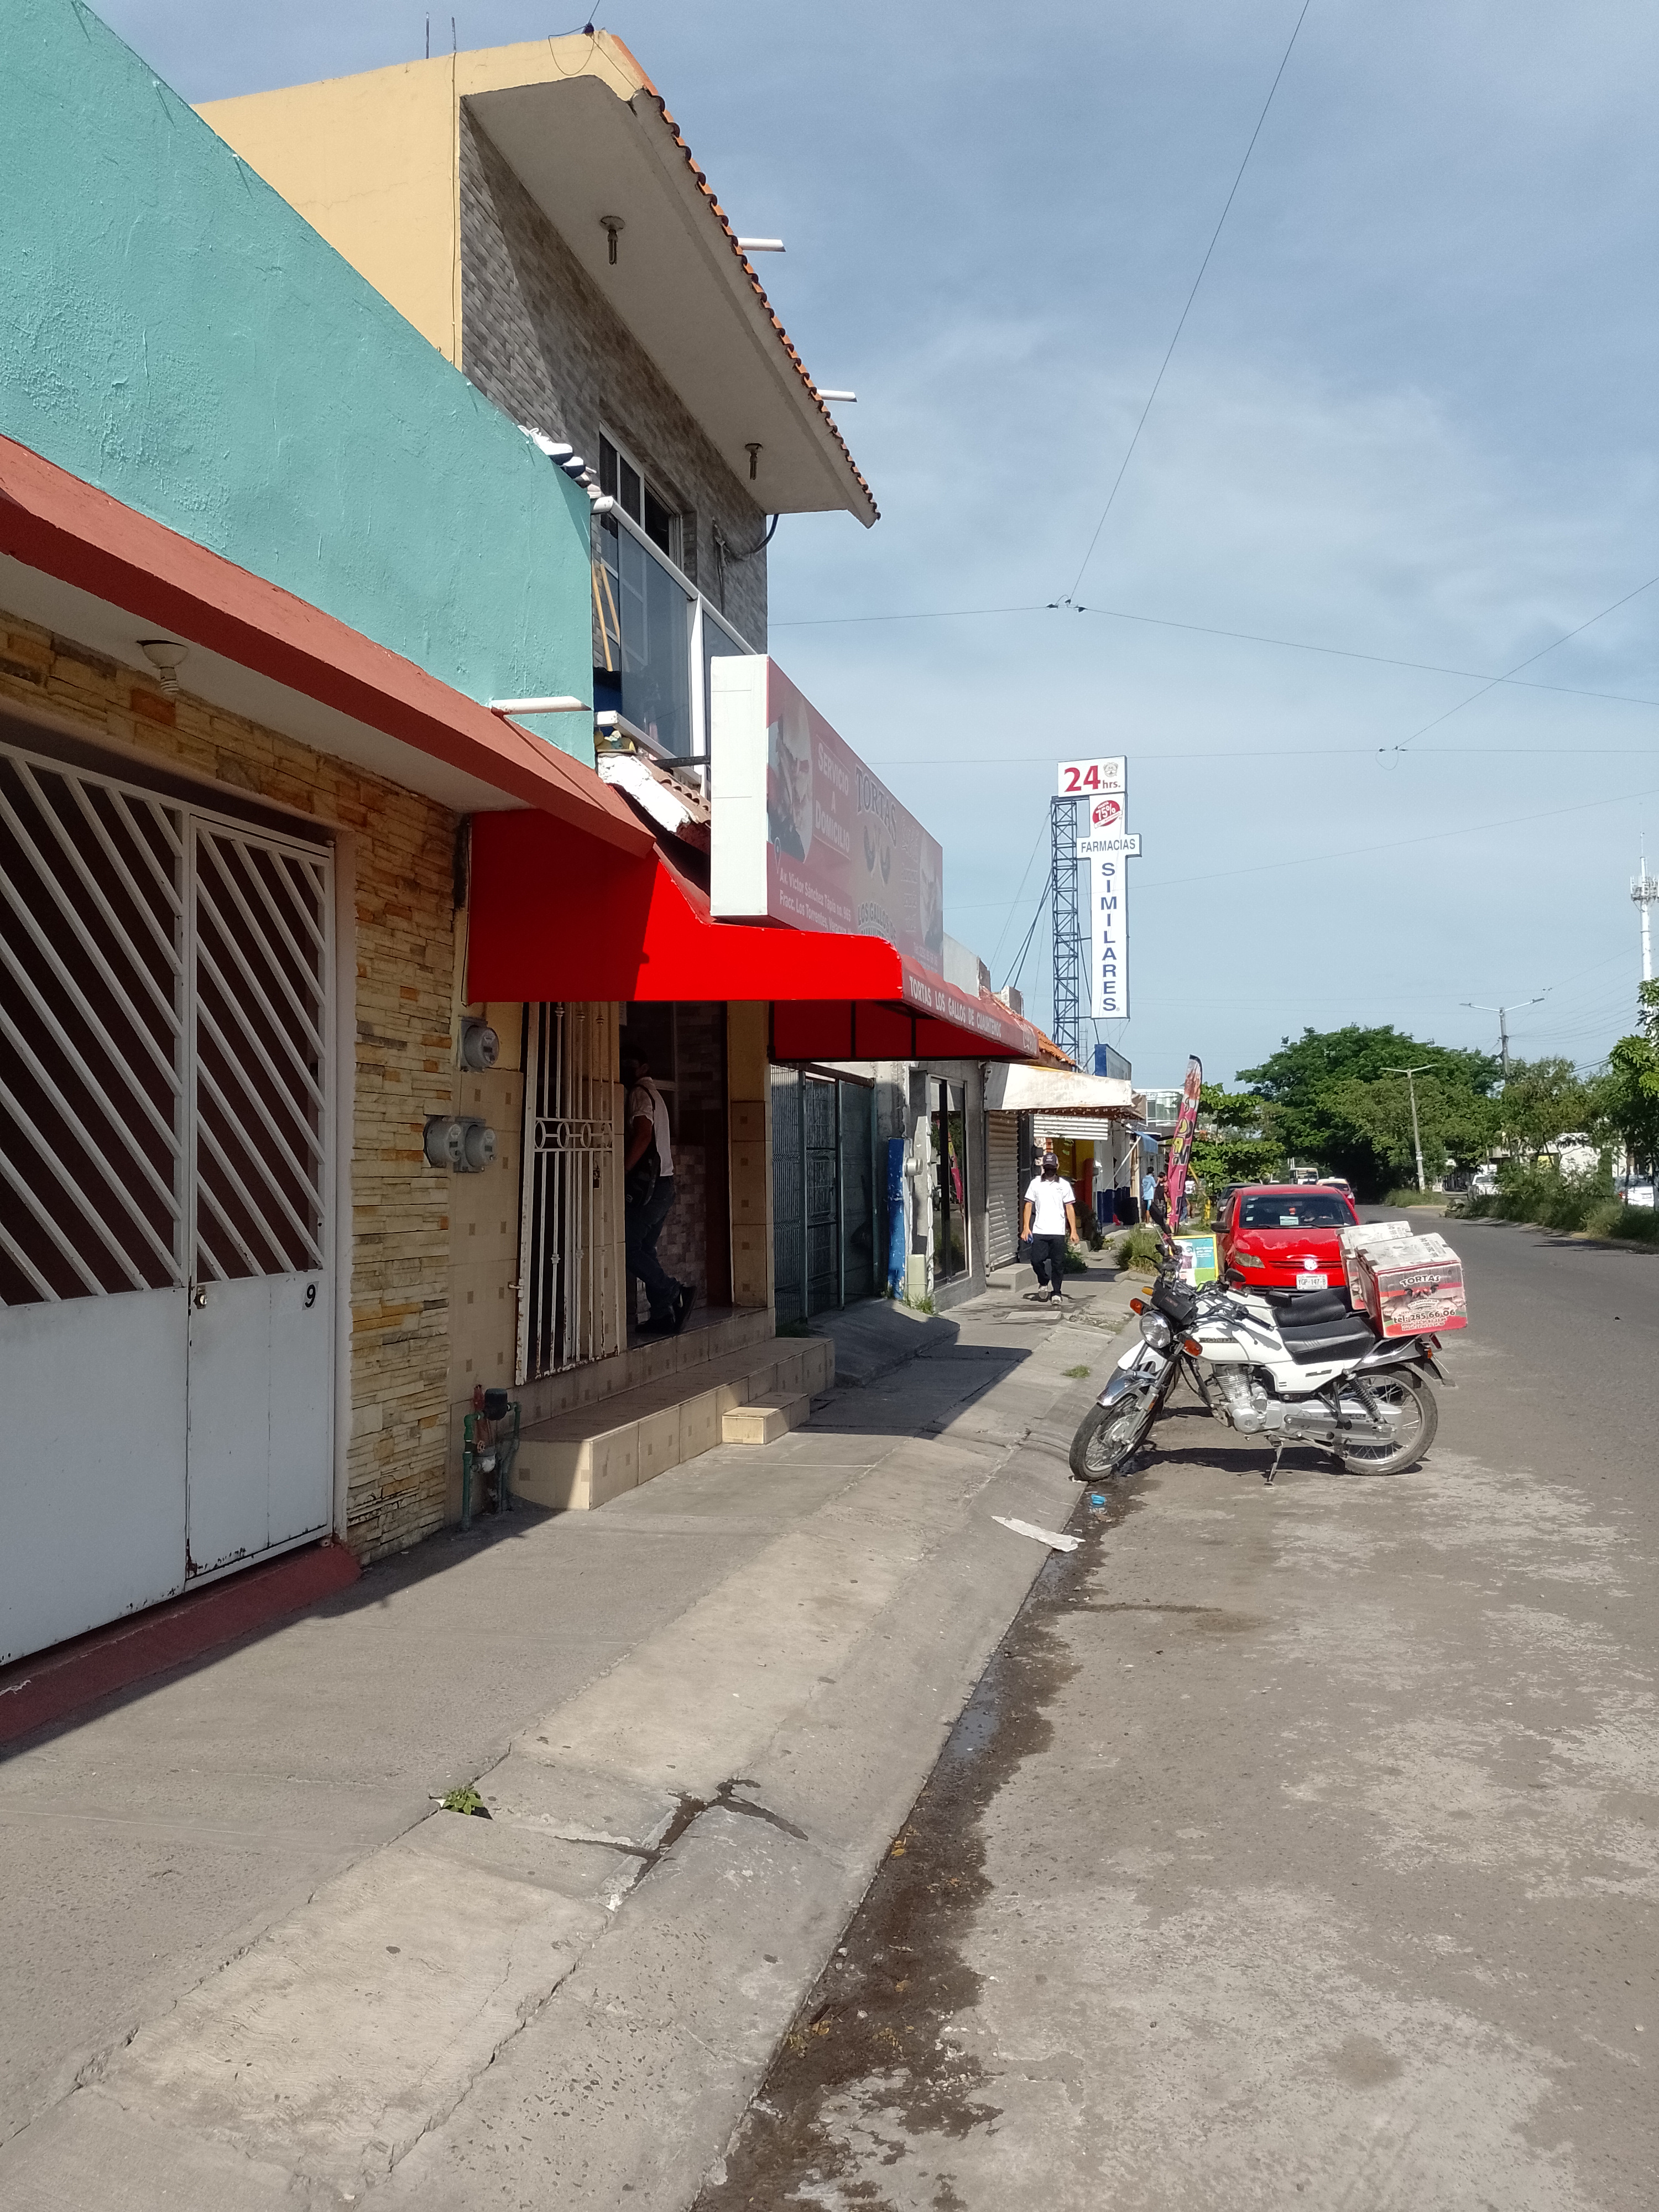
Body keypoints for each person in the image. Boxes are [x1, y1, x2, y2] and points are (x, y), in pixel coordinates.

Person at [622, 1051, 692, 1334]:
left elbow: (644, 1134)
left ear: (644, 1068)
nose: (625, 1068)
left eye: (630, 1064)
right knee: (646, 1249)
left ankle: (674, 1292)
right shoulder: (654, 1093)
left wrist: (623, 1171)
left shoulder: (639, 1093)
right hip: (664, 1185)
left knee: (627, 1247)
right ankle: (662, 1316)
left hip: (648, 1188)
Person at [1021, 1150, 1077, 1303]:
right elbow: (1028, 1205)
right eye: (1047, 1167)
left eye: (1052, 1167)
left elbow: (1069, 1208)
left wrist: (1073, 1231)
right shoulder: (1035, 1183)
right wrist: (1026, 1227)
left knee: (1058, 1264)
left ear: (1057, 1167)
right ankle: (1044, 1281)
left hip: (1058, 1232)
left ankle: (1057, 1292)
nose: (1050, 1170)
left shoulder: (1064, 1185)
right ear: (1043, 1167)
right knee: (1036, 1261)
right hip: (1040, 1230)